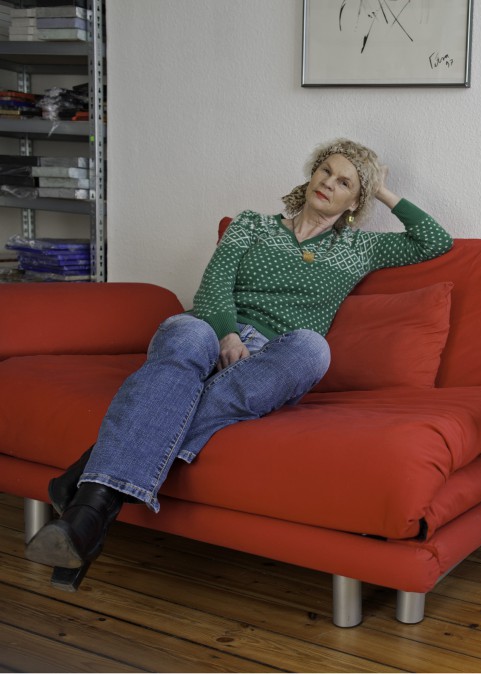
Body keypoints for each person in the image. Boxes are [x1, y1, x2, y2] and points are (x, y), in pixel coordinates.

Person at [25, 138, 453, 590]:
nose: (329, 182)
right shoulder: (252, 224)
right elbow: (214, 285)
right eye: (325, 170)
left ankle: (87, 487)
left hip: (271, 359)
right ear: (312, 172)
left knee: (314, 348)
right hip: (211, 332)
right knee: (186, 333)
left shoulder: (360, 248)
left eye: (345, 182)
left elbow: (434, 241)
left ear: (354, 202)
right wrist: (227, 334)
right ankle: (91, 512)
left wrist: (381, 189)